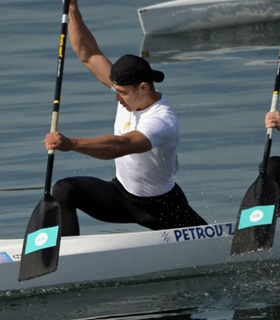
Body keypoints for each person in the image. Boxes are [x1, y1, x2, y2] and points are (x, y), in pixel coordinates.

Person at [43, 0, 207, 236]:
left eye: (122, 93)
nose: (117, 98)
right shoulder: (129, 93)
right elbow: (89, 55)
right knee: (65, 189)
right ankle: (66, 255)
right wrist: (72, 8)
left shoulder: (162, 120)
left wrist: (72, 144)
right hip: (121, 196)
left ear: (143, 87)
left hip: (161, 206)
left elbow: (123, 145)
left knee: (213, 243)